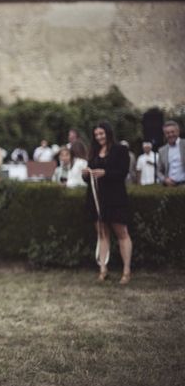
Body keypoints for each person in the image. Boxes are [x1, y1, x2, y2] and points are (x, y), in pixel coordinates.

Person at [82, 121, 133, 284]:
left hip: (115, 197)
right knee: (102, 234)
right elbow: (89, 179)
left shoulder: (120, 150)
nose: (99, 137)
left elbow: (123, 172)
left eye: (101, 134)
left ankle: (126, 271)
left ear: (108, 133)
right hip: (96, 198)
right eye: (96, 135)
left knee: (121, 233)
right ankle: (103, 269)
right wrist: (85, 174)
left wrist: (106, 173)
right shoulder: (94, 151)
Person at [158, 120, 185, 187]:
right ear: (165, 134)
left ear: (178, 132)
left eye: (173, 132)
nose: (170, 135)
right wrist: (165, 179)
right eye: (167, 133)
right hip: (169, 187)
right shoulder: (162, 150)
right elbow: (158, 171)